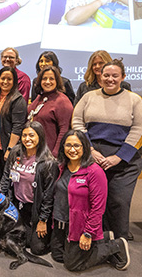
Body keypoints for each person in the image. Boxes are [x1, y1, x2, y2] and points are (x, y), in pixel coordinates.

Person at [72, 59, 142, 241]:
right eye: (106, 75)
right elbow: (77, 122)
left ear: (123, 77)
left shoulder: (134, 100)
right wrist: (90, 151)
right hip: (93, 156)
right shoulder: (88, 97)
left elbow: (138, 129)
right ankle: (98, 240)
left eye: (115, 76)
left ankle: (120, 242)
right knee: (93, 200)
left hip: (124, 160)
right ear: (100, 76)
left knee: (118, 201)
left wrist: (118, 157)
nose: (110, 79)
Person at [51, 130, 130, 271]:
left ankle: (115, 246)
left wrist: (88, 233)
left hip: (81, 225)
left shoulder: (94, 171)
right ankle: (104, 238)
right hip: (64, 222)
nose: (72, 149)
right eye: (68, 145)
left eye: (77, 145)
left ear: (85, 147)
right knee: (58, 256)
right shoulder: (62, 166)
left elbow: (98, 208)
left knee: (72, 264)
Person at [0, 121, 58, 255]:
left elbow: (49, 195)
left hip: (36, 209)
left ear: (40, 136)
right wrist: (2, 204)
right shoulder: (15, 152)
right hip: (17, 205)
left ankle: (46, 232)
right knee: (16, 243)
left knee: (37, 249)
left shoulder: (48, 162)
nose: (27, 139)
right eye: (24, 135)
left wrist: (43, 220)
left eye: (31, 135)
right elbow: (5, 177)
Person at [0, 67, 27, 182]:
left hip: (6, 146)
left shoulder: (18, 100)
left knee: (8, 179)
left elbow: (17, 127)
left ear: (14, 81)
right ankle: (0, 199)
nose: (5, 82)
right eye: (2, 78)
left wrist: (10, 149)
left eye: (9, 79)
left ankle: (8, 200)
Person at [27, 66, 73, 157]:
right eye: (44, 78)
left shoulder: (62, 101)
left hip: (50, 154)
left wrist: (55, 154)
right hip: (34, 151)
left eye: (51, 78)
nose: (47, 82)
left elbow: (64, 130)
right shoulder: (39, 98)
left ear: (57, 81)